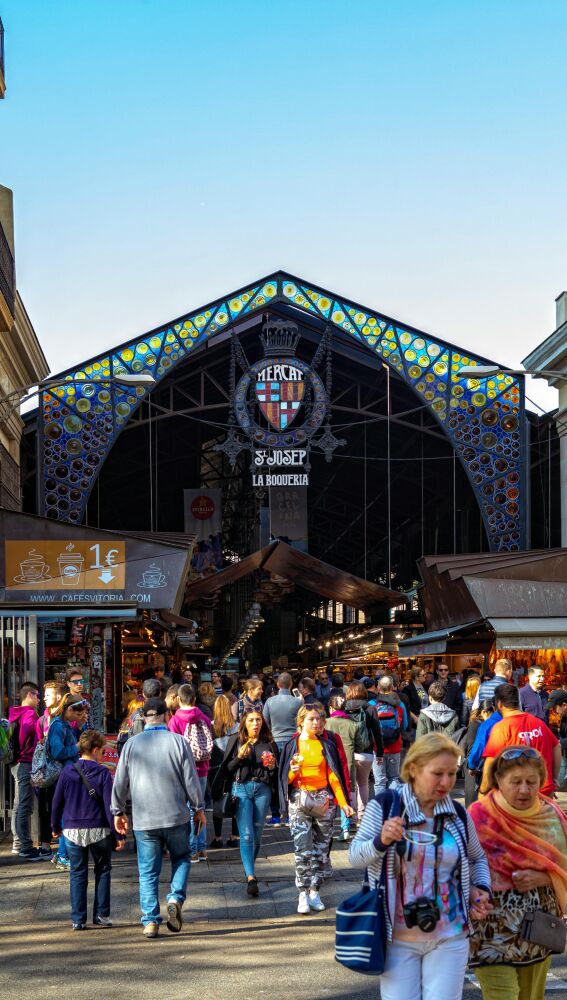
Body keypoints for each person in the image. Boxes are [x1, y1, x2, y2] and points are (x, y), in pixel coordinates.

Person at [349, 733, 492, 1000]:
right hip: (397, 939)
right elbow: (355, 856)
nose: (447, 782)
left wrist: (480, 888)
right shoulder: (385, 806)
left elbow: (477, 858)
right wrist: (381, 841)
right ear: (414, 769)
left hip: (450, 936)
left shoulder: (458, 814)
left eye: (452, 774)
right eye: (437, 773)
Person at [469, 746, 567, 1000]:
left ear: (541, 782)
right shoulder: (478, 817)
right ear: (499, 780)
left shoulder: (551, 816)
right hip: (488, 931)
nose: (524, 789)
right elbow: (454, 866)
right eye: (516, 782)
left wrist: (545, 877)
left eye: (531, 782)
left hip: (537, 931)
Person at [111, 697, 206, 938]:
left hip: (145, 819)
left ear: (143, 718)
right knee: (182, 857)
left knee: (147, 870)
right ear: (167, 716)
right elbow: (191, 780)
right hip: (176, 815)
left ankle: (151, 921)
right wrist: (199, 808)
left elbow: (120, 782)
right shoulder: (178, 742)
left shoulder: (132, 745)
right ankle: (175, 897)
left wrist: (118, 811)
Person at [279, 703, 352, 913]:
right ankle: (302, 893)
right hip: (299, 799)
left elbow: (333, 776)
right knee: (302, 849)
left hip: (323, 800)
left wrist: (344, 803)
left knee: (321, 850)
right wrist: (294, 771)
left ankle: (315, 891)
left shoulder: (326, 745)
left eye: (319, 719)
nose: (316, 722)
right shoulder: (292, 746)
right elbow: (287, 779)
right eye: (311, 719)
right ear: (301, 722)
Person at [51, 729, 125, 930]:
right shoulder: (102, 773)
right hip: (99, 829)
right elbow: (111, 808)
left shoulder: (67, 772)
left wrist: (55, 826)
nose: (103, 754)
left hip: (73, 829)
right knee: (103, 870)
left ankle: (78, 919)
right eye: (101, 750)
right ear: (94, 750)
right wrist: (118, 833)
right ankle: (101, 914)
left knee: (77, 873)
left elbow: (57, 802)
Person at [211, 709, 278, 896]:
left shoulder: (269, 743)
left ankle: (249, 866)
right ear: (244, 723)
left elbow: (275, 774)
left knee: (256, 834)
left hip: (262, 790)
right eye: (251, 720)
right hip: (241, 790)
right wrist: (239, 757)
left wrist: (272, 766)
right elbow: (227, 770)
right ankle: (251, 876)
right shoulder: (236, 741)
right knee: (246, 835)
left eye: (258, 720)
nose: (255, 723)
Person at [481, 684, 560, 799]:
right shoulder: (539, 723)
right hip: (544, 791)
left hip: (517, 796)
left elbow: (489, 765)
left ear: (499, 704)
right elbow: (556, 746)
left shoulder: (501, 728)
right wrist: (553, 777)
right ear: (518, 702)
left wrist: (483, 791)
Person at [167, 683, 213, 862]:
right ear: (194, 699)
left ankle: (192, 848)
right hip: (202, 768)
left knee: (188, 808)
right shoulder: (204, 717)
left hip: (183, 770)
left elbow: (172, 746)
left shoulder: (174, 721)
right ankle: (202, 848)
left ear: (178, 699)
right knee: (199, 806)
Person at [45, 693, 88, 871]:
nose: (79, 717)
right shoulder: (58, 725)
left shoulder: (65, 724)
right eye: (77, 714)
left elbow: (71, 740)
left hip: (68, 774)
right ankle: (63, 855)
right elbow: (58, 752)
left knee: (67, 814)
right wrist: (76, 748)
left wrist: (78, 727)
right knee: (67, 816)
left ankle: (61, 854)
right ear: (69, 709)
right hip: (63, 776)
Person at [262, 671, 302, 826]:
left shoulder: (270, 702)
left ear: (277, 685)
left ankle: (276, 816)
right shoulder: (297, 703)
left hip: (275, 743)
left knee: (274, 779)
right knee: (290, 778)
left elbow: (265, 724)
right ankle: (290, 815)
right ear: (291, 685)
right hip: (292, 743)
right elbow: (301, 724)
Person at [325, 693, 365, 840]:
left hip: (329, 764)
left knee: (329, 794)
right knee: (346, 794)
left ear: (331, 708)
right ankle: (345, 828)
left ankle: (327, 828)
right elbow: (361, 746)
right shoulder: (353, 725)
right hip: (347, 764)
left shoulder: (325, 723)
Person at [9, 682, 41, 861]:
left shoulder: (14, 712)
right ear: (29, 695)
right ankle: (26, 847)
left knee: (18, 804)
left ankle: (18, 842)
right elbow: (28, 731)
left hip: (16, 763)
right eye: (37, 695)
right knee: (24, 805)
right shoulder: (28, 713)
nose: (39, 699)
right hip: (25, 762)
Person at [343, 681, 384, 817]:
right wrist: (380, 753)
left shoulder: (343, 708)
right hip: (366, 752)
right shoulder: (370, 708)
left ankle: (352, 814)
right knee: (363, 784)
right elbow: (377, 732)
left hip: (347, 752)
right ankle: (362, 814)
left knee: (351, 784)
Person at [35, 681, 66, 857]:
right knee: (46, 808)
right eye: (44, 694)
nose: (44, 697)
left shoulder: (65, 718)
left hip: (63, 772)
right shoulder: (41, 720)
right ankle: (46, 844)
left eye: (48, 694)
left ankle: (63, 850)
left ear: (59, 697)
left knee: (61, 807)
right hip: (46, 773)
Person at [208, 695, 240, 848]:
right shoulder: (237, 726)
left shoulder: (211, 726)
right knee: (234, 798)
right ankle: (234, 835)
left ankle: (218, 836)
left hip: (214, 768)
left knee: (217, 800)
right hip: (232, 767)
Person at [371, 675, 404, 794]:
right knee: (393, 778)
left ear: (378, 687)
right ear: (392, 687)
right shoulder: (399, 706)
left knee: (380, 781)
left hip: (378, 748)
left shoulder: (373, 705)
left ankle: (380, 809)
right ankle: (394, 806)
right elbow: (404, 726)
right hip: (395, 747)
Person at [461, 700, 494, 807]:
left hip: (481, 767)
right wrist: (472, 766)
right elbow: (471, 750)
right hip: (473, 770)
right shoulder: (475, 725)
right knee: (472, 804)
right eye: (491, 714)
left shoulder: (488, 724)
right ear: (484, 712)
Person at [547, 688, 567, 789]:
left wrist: (558, 742)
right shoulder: (564, 716)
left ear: (564, 705)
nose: (553, 711)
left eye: (555, 708)